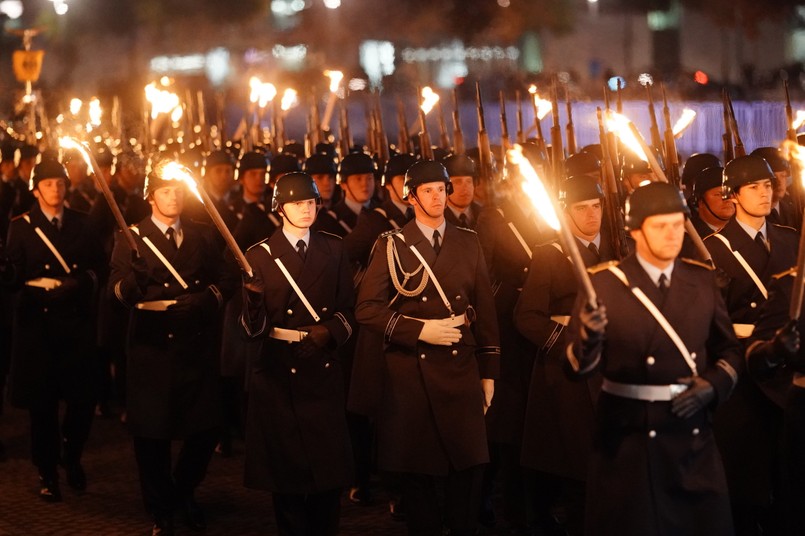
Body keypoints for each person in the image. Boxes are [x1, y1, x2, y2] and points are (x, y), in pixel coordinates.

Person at [568, 181, 742, 535]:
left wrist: (712, 385)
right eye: (660, 226)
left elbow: (730, 351)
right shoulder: (603, 285)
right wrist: (588, 339)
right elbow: (575, 368)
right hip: (628, 441)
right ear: (635, 230)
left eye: (678, 224)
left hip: (691, 438)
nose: (672, 234)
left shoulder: (702, 280)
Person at [351, 160, 500, 536]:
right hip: (411, 373)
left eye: (441, 189)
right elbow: (367, 309)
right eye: (428, 190)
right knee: (419, 479)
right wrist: (418, 330)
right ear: (411, 197)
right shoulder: (392, 244)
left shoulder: (468, 241)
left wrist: (489, 371)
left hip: (461, 365)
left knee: (467, 469)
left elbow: (484, 309)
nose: (437, 197)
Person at [108, 160, 237, 535]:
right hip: (152, 348)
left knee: (205, 430)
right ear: (151, 197)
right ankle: (160, 508)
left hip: (194, 346)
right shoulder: (131, 238)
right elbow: (115, 293)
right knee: (153, 437)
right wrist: (134, 279)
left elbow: (227, 279)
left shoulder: (202, 234)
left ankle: (182, 491)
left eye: (178, 191)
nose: (173, 197)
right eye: (165, 191)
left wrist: (205, 301)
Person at [240, 171, 356, 536]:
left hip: (321, 368)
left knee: (328, 476)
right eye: (296, 204)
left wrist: (329, 332)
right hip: (279, 373)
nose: (305, 210)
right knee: (287, 480)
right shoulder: (259, 255)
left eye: (310, 202)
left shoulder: (334, 248)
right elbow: (249, 331)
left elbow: (350, 311)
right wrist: (254, 303)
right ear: (280, 209)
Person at [704, 154, 799, 535]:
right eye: (752, 188)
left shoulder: (792, 238)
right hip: (743, 370)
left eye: (766, 186)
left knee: (788, 472)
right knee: (746, 474)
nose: (763, 194)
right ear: (733, 195)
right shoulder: (713, 249)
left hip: (788, 364)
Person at [514, 175, 613, 535]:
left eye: (596, 206)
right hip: (567, 370)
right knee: (573, 463)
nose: (591, 215)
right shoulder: (550, 253)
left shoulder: (617, 250)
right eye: (581, 208)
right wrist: (569, 343)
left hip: (609, 366)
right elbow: (527, 317)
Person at [5, 158, 103, 501]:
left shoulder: (84, 223)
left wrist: (78, 285)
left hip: (74, 325)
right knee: (42, 406)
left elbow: (97, 270)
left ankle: (71, 454)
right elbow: (13, 279)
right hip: (38, 328)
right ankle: (47, 470)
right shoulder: (21, 226)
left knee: (81, 400)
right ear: (36, 189)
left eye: (60, 183)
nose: (56, 189)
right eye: (48, 184)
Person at [688, 166, 734, 239]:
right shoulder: (690, 237)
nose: (728, 199)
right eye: (718, 194)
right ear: (701, 202)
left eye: (730, 193)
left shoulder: (745, 231)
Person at [442, 154, 482, 229]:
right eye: (458, 182)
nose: (465, 188)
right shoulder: (437, 219)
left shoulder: (484, 213)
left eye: (469, 181)